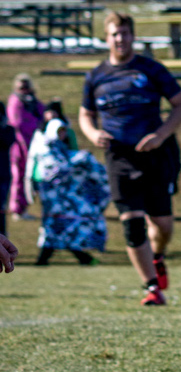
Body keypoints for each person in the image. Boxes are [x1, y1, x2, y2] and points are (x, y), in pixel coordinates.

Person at [79, 11, 181, 306]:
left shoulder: (151, 69)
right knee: (132, 223)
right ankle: (151, 288)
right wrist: (91, 133)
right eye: (115, 34)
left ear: (132, 36)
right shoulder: (96, 76)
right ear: (107, 37)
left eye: (125, 33)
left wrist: (161, 135)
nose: (120, 39)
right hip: (118, 157)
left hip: (154, 155)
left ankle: (157, 256)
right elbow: (85, 114)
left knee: (163, 225)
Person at [27, 108, 108, 266]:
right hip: (52, 198)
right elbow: (52, 168)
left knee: (66, 226)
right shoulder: (45, 147)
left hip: (65, 198)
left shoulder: (62, 148)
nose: (62, 134)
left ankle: (73, 257)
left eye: (64, 131)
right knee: (52, 226)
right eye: (59, 131)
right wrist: (77, 161)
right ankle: (52, 258)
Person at [8, 74, 43, 221]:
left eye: (26, 86)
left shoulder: (33, 102)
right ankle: (17, 209)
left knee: (29, 179)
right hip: (20, 146)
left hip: (34, 145)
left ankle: (24, 208)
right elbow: (18, 123)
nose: (24, 90)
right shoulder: (16, 101)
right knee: (19, 177)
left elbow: (41, 114)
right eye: (21, 87)